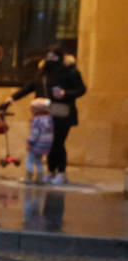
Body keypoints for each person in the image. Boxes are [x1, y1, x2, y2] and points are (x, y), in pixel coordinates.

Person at [10, 45, 86, 184]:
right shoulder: (43, 72)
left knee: (58, 142)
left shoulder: (71, 71)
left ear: (60, 57)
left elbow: (81, 89)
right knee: (50, 144)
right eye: (49, 56)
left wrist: (65, 93)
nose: (51, 59)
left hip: (63, 113)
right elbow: (31, 86)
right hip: (44, 113)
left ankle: (61, 173)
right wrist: (12, 98)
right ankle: (51, 172)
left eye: (54, 57)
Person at [25, 98, 54, 184]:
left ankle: (28, 177)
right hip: (46, 144)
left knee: (29, 160)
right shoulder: (49, 119)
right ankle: (40, 178)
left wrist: (30, 142)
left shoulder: (37, 120)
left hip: (36, 144)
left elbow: (34, 133)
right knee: (38, 161)